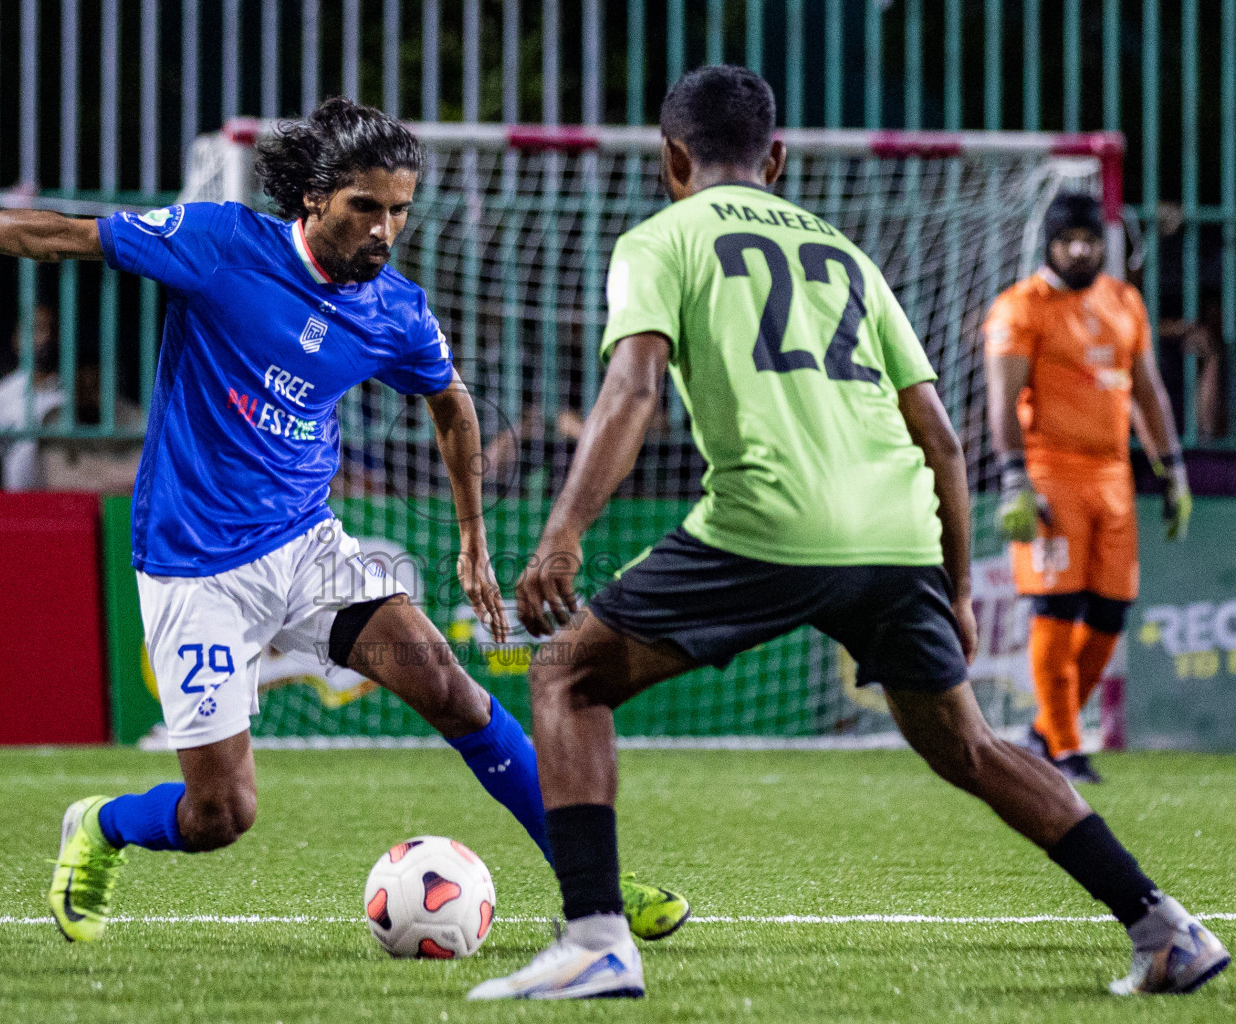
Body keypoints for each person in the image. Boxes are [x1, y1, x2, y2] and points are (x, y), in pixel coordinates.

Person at [472, 66, 1228, 1000]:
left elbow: (632, 390)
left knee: (567, 676)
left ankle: (594, 936)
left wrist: (562, 535)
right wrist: (952, 586)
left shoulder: (662, 239)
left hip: (772, 519)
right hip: (900, 534)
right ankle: (1166, 929)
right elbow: (943, 441)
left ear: (672, 159)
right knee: (972, 748)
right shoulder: (847, 255)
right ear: (778, 159)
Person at [0, 98, 688, 946]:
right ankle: (103, 825)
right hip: (195, 568)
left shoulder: (394, 309)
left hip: (310, 552)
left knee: (456, 695)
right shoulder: (220, 245)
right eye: (367, 208)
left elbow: (453, 407)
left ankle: (598, 890)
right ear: (314, 198)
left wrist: (472, 541)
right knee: (221, 812)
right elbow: (67, 237)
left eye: (400, 210)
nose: (386, 230)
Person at [985, 195, 1190, 785]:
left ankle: (1046, 736)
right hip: (1049, 473)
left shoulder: (1124, 301)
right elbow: (1002, 401)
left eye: (1090, 239)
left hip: (1114, 479)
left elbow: (1149, 394)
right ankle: (1067, 749)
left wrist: (1171, 468)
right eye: (1068, 238)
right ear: (1049, 244)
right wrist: (1014, 479)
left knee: (1110, 612)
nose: (1081, 249)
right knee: (1055, 607)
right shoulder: (1021, 307)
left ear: (1106, 242)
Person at [0, 304, 68, 490]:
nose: (47, 337)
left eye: (53, 330)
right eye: (38, 329)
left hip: (62, 501)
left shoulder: (73, 393)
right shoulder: (1, 394)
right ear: (17, 340)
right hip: (17, 503)